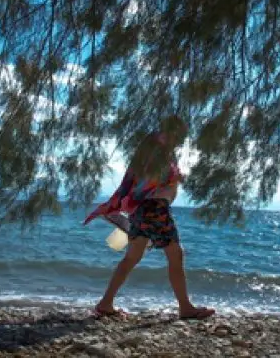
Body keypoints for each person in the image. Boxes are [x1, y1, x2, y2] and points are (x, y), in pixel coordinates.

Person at [84, 115, 215, 320]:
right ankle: (185, 307)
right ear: (173, 132)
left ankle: (105, 303)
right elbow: (151, 177)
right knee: (175, 254)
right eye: (182, 134)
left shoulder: (153, 149)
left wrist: (175, 177)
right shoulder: (159, 150)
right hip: (154, 207)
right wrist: (174, 177)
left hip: (140, 210)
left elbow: (147, 177)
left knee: (132, 257)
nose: (183, 139)